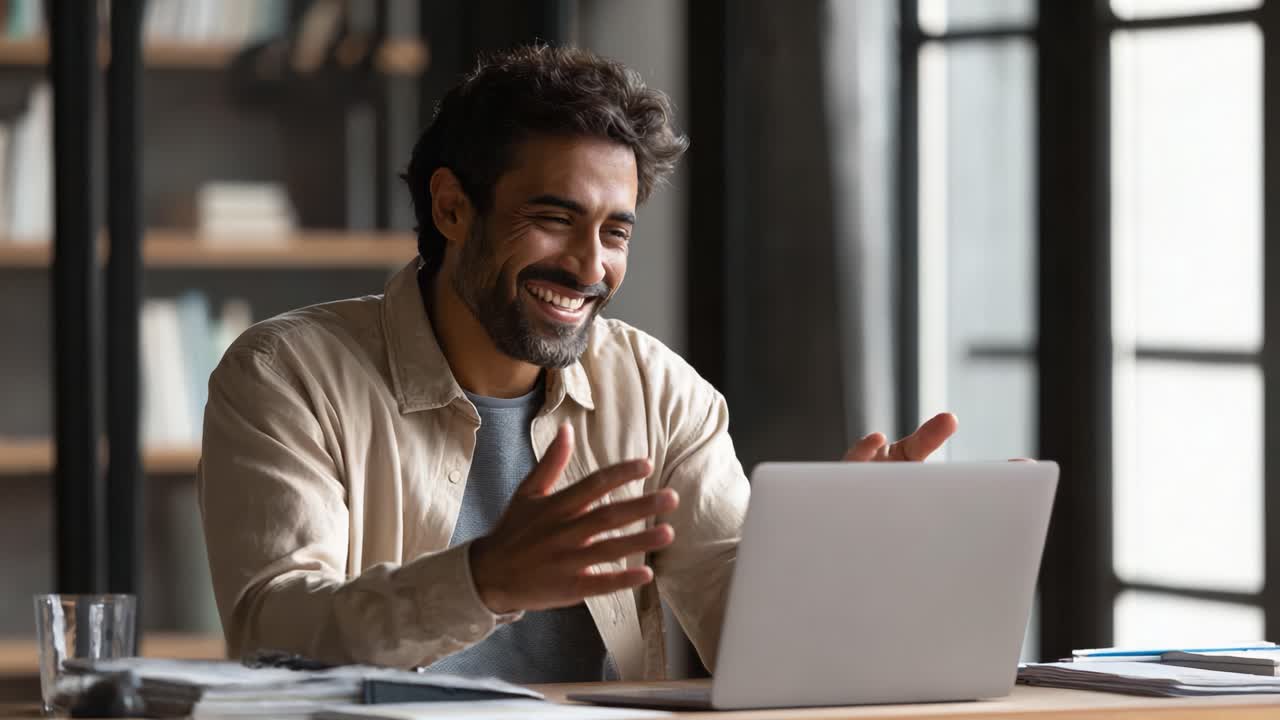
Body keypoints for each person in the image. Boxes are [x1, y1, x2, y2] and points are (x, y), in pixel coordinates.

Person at [197, 44, 957, 684]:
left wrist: (848, 555)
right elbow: (274, 634)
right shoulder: (286, 373)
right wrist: (483, 580)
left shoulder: (661, 392)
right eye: (553, 219)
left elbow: (753, 642)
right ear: (453, 208)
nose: (590, 265)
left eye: (615, 232)